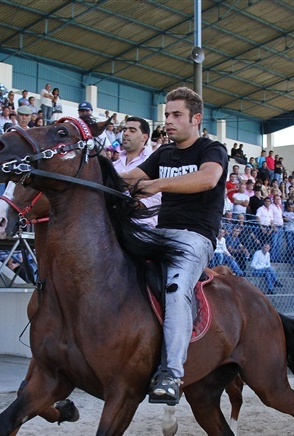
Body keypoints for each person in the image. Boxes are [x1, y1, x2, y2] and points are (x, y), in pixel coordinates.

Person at [120, 86, 228, 405]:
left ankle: (171, 372)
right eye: (166, 115)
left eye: (176, 115)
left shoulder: (212, 150)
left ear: (196, 118)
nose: (168, 120)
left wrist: (157, 184)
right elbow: (129, 177)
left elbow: (207, 179)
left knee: (176, 288)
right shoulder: (163, 154)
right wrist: (95, 171)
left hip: (195, 238)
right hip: (160, 234)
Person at [112, 116, 158, 227]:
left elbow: (156, 198)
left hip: (141, 224)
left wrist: (129, 205)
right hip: (113, 223)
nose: (126, 133)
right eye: (124, 130)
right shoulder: (114, 165)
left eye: (132, 130)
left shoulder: (154, 162)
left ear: (144, 137)